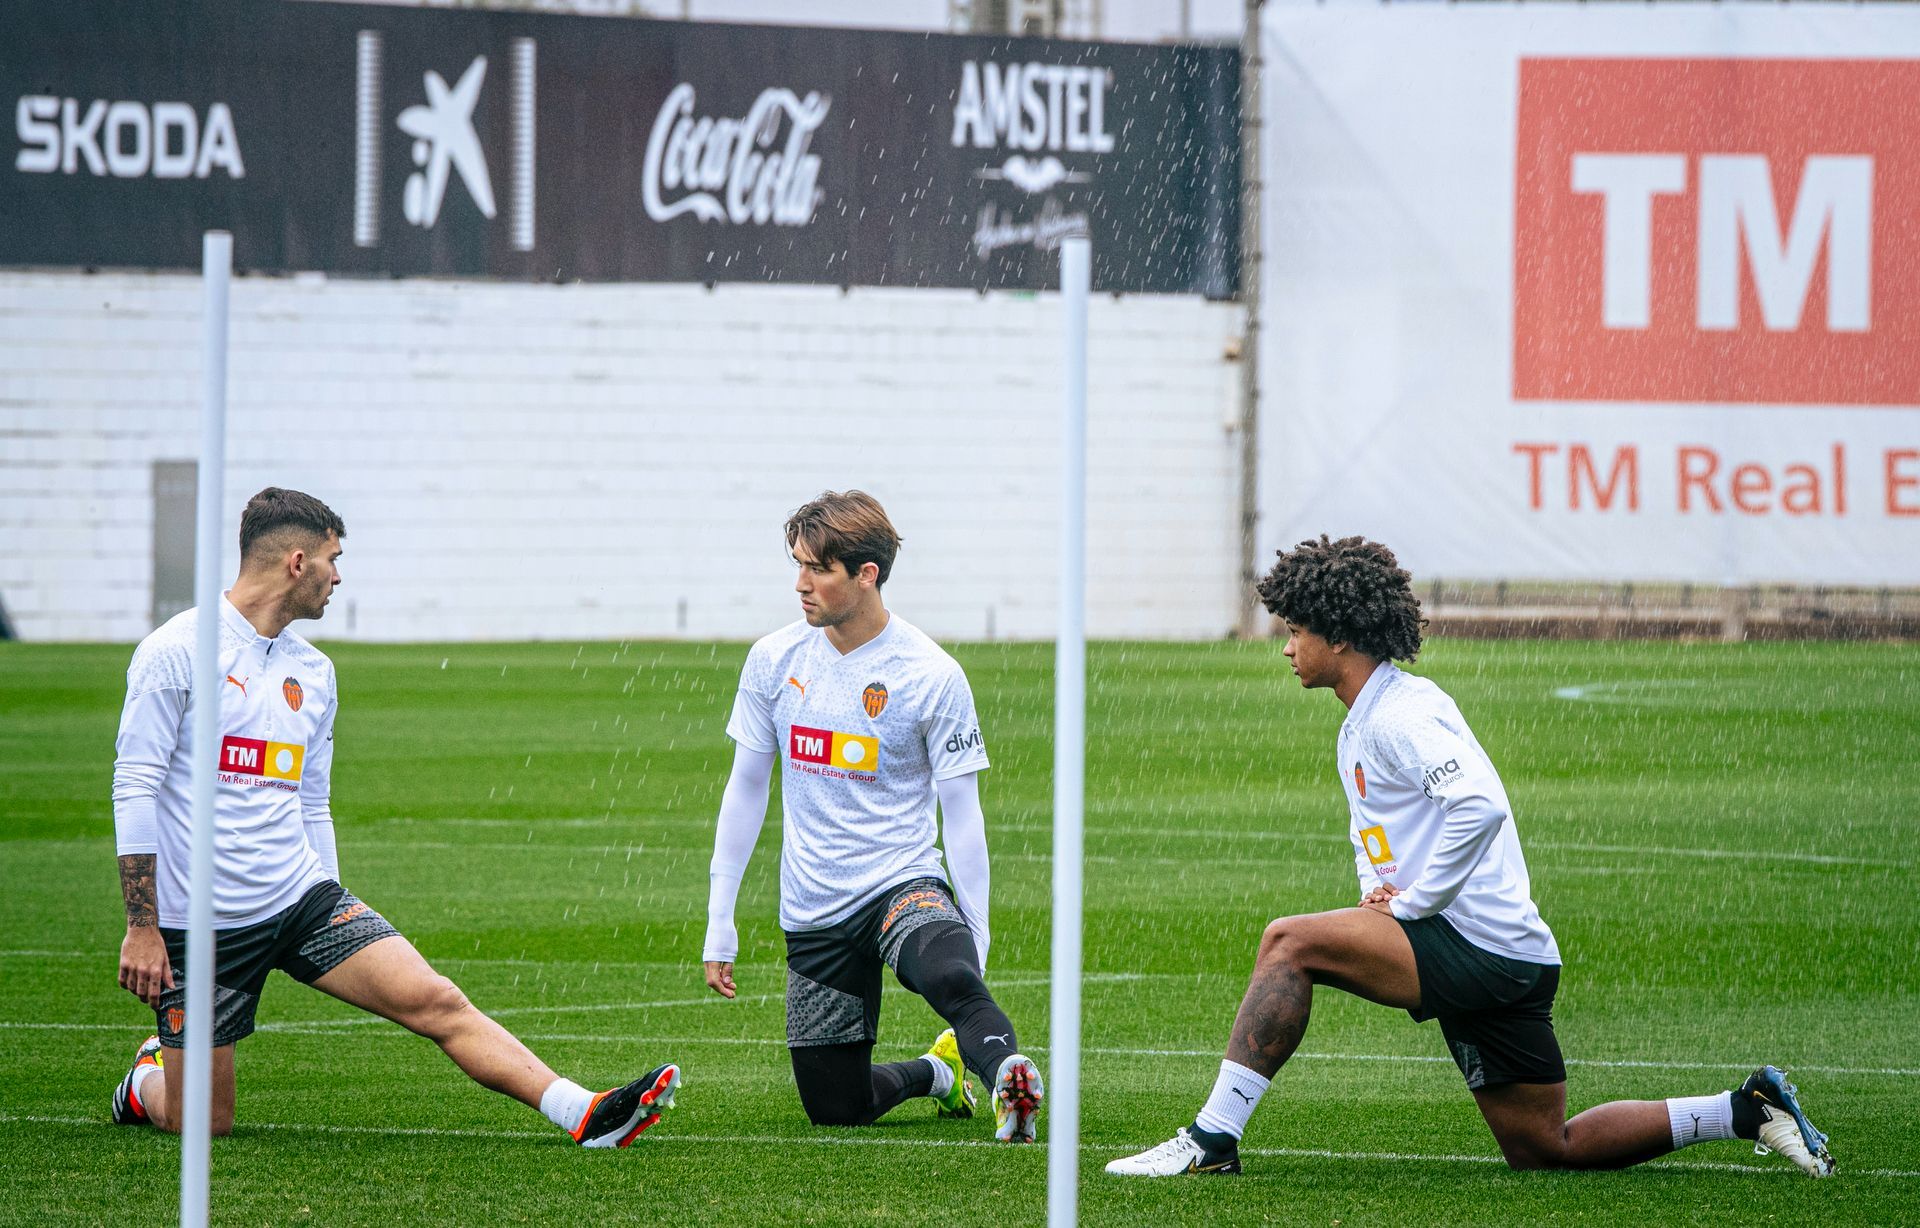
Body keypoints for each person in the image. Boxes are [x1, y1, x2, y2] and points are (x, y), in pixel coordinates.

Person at [1106, 535, 1835, 1179]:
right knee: (1547, 1147)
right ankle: (1744, 1110)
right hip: (1510, 954)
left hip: (1474, 944)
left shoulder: (1400, 714)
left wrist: (1414, 905)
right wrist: (1380, 891)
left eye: (1296, 630)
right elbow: (1385, 831)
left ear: (1341, 637)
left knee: (1288, 943)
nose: (1287, 646)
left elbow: (1479, 806)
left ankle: (1212, 1139)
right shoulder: (1366, 720)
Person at [108, 487, 679, 1147]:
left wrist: (330, 899)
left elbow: (309, 799)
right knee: (203, 1122)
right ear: (297, 562)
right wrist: (142, 928)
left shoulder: (314, 672)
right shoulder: (176, 652)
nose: (339, 575)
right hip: (199, 927)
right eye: (333, 558)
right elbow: (136, 786)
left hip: (300, 901)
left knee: (437, 1001)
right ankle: (144, 1080)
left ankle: (582, 1112)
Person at [701, 490, 1043, 1140]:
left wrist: (977, 927)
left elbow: (962, 812)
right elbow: (745, 790)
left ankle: (1009, 1080)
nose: (801, 584)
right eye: (797, 564)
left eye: (819, 569)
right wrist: (721, 920)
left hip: (900, 886)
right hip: (814, 909)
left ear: (867, 574)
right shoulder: (773, 661)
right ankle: (936, 1075)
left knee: (950, 977)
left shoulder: (931, 675)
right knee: (836, 1108)